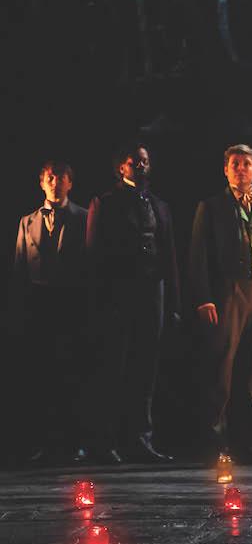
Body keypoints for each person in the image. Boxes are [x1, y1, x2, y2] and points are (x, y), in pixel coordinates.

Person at [189, 144, 252, 464]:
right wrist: (204, 297)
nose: (241, 169)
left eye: (247, 164)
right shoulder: (211, 207)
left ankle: (251, 443)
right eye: (235, 164)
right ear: (225, 170)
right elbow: (198, 255)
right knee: (221, 369)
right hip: (228, 292)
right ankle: (215, 443)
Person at [87, 144, 179, 463]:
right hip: (118, 295)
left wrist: (173, 302)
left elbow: (170, 256)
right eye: (135, 161)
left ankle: (140, 439)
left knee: (145, 368)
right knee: (114, 367)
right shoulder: (105, 203)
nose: (141, 166)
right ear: (121, 168)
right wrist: (101, 301)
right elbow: (95, 256)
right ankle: (105, 441)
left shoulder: (160, 205)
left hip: (153, 293)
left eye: (145, 161)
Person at [11, 161, 89, 465]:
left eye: (61, 178)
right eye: (50, 178)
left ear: (70, 183)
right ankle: (45, 443)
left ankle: (76, 443)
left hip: (73, 308)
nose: (55, 182)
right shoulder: (26, 221)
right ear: (42, 182)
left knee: (74, 376)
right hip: (39, 310)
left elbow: (92, 266)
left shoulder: (84, 217)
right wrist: (21, 310)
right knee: (42, 377)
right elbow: (20, 268)